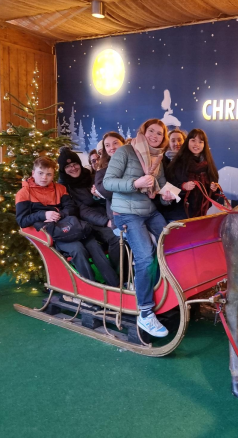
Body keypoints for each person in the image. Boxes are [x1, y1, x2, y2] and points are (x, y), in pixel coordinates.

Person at [103, 119, 175, 337]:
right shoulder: (125, 151)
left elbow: (159, 188)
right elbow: (108, 182)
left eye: (159, 133)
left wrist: (167, 197)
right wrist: (135, 184)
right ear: (143, 132)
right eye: (151, 131)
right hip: (126, 212)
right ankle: (145, 313)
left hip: (148, 210)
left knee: (171, 245)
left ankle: (162, 292)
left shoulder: (158, 157)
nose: (154, 136)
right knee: (145, 256)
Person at [16, 157, 119, 287]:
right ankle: (90, 287)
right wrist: (43, 214)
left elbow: (71, 208)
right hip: (55, 233)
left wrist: (59, 214)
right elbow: (22, 220)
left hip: (72, 226)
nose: (44, 178)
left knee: (93, 245)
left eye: (49, 174)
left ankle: (115, 284)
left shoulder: (59, 188)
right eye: (40, 173)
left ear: (53, 175)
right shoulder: (24, 193)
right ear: (33, 173)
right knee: (78, 249)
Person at [57, 147, 121, 286]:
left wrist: (100, 197)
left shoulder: (90, 176)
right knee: (116, 238)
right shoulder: (65, 187)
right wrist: (106, 222)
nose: (73, 168)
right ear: (63, 169)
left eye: (75, 164)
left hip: (107, 214)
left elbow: (107, 197)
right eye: (68, 166)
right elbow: (81, 210)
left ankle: (122, 274)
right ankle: (117, 276)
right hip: (87, 222)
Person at [166, 128, 220, 220]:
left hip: (200, 215)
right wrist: (183, 186)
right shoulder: (178, 162)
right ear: (187, 142)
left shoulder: (208, 165)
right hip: (179, 216)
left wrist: (214, 189)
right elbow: (168, 187)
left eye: (200, 142)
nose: (196, 144)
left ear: (204, 144)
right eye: (193, 140)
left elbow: (213, 194)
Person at [94, 131, 126, 231]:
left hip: (142, 211)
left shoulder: (134, 161)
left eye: (115, 143)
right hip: (118, 215)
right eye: (107, 145)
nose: (112, 147)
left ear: (123, 143)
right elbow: (106, 191)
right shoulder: (102, 170)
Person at [157, 129, 186, 222]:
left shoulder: (190, 161)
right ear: (168, 143)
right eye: (173, 140)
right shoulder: (161, 161)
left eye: (179, 140)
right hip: (170, 212)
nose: (177, 143)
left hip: (188, 211)